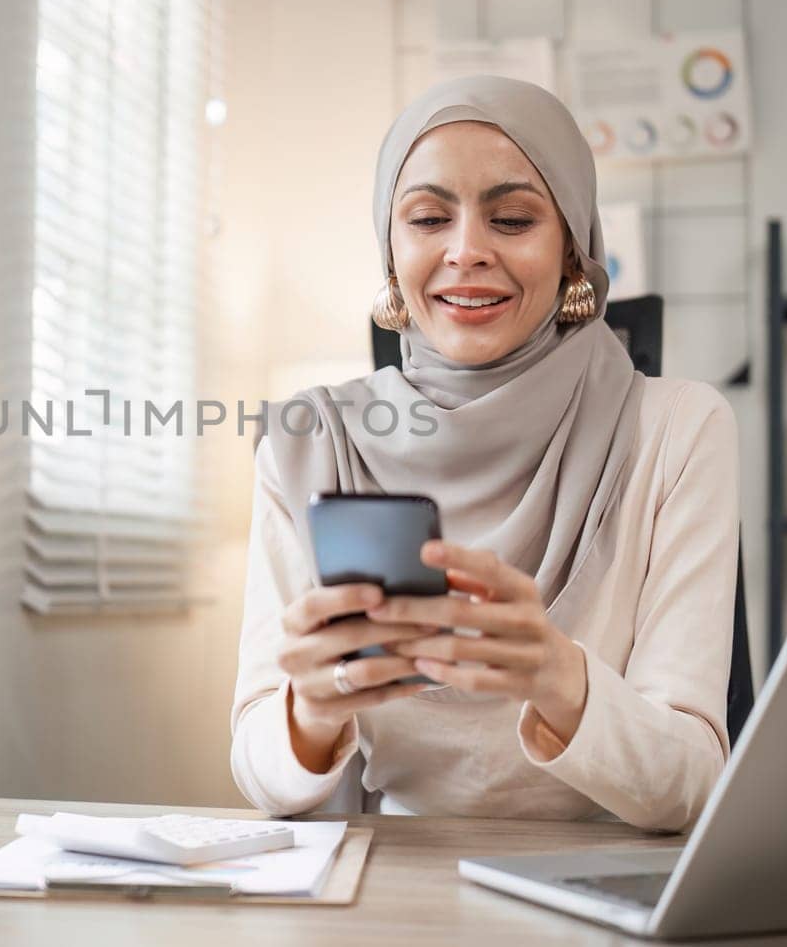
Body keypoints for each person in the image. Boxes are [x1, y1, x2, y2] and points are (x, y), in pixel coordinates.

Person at [229, 76, 738, 832]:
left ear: (572, 248)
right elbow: (258, 769)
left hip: (606, 886)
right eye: (429, 217)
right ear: (392, 249)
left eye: (512, 218)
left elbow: (694, 783)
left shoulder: (679, 428)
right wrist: (310, 710)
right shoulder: (310, 439)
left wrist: (556, 674)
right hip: (393, 890)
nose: (466, 251)